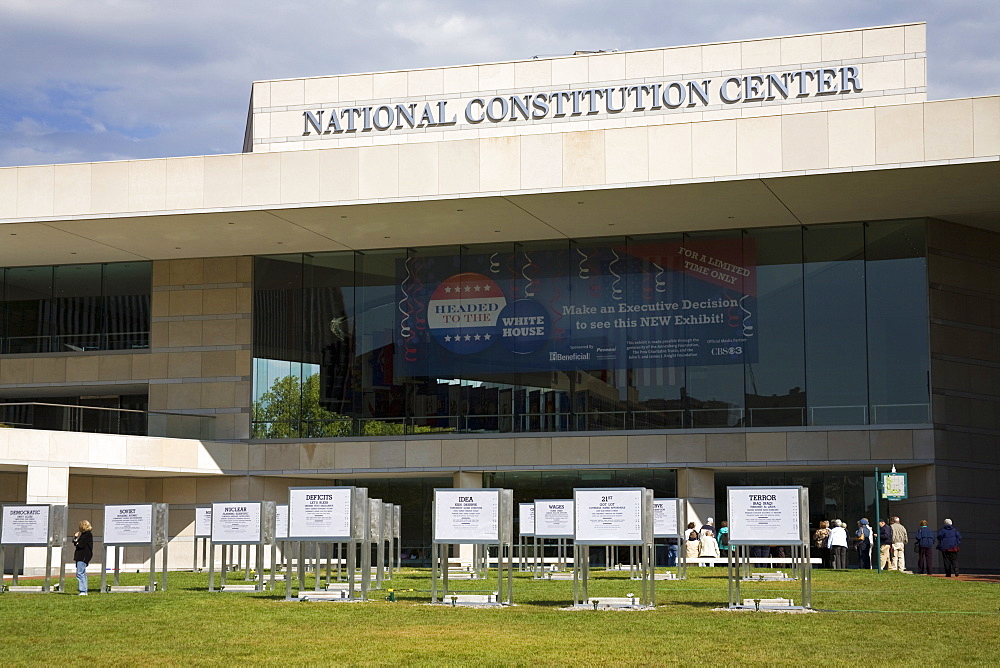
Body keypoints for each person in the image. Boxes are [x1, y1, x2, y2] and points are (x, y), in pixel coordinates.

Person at [72, 520, 94, 596]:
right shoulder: (83, 535)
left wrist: (77, 542)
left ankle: (83, 590)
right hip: (81, 556)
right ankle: (84, 590)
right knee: (82, 573)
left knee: (80, 573)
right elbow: (76, 543)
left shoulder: (87, 535)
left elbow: (80, 545)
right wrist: (75, 538)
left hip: (83, 556)